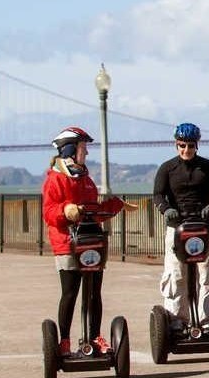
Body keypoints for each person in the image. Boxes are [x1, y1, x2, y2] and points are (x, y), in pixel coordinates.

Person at [41, 126, 136, 356]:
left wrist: (116, 205)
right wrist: (67, 210)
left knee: (94, 293)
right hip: (67, 244)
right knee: (70, 293)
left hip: (91, 242)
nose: (87, 153)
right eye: (84, 148)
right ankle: (64, 341)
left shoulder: (86, 180)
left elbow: (93, 210)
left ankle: (94, 337)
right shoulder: (55, 180)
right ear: (71, 150)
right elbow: (49, 212)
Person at [153, 123, 209, 335]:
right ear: (176, 144)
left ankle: (207, 319)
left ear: (197, 145)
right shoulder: (167, 168)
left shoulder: (208, 167)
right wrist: (166, 209)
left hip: (203, 226)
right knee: (176, 274)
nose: (186, 150)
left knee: (208, 272)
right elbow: (158, 194)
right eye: (182, 145)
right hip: (176, 228)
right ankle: (177, 320)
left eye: (191, 146)